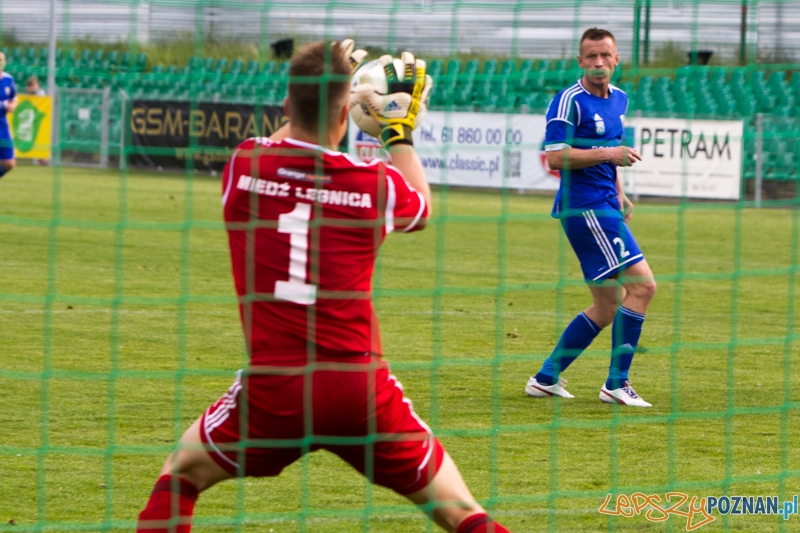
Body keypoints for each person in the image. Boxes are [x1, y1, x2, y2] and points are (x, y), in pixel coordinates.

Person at [136, 40, 511, 533]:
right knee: (461, 513)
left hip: (275, 390)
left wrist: (325, 85)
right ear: (343, 115)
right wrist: (397, 131)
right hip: (358, 390)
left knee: (181, 476)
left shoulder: (245, 166)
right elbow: (421, 205)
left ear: (286, 105)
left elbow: (277, 143)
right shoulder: (374, 184)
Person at [524, 28, 657, 407]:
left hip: (604, 203)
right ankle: (617, 383)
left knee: (606, 305)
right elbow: (555, 157)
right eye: (591, 57)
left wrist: (619, 191)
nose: (599, 63)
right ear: (580, 61)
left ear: (616, 59)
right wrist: (609, 156)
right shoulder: (568, 101)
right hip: (584, 207)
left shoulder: (620, 99)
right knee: (643, 287)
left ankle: (546, 378)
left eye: (605, 56)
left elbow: (610, 148)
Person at [0, 51, 18, 178]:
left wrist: (12, 105)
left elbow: (14, 98)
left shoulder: (8, 79)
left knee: (9, 163)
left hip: (2, 125)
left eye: (1, 60)